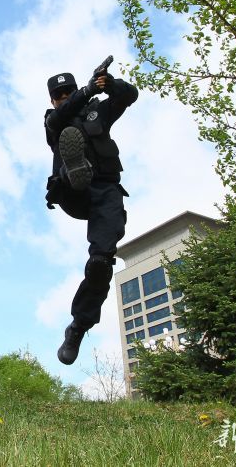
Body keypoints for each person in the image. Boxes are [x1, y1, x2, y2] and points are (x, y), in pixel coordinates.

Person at [42, 67, 138, 365]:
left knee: (100, 264)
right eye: (57, 95)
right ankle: (75, 168)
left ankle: (78, 327)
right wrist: (85, 91)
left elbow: (129, 96)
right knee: (70, 142)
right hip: (74, 194)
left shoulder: (98, 113)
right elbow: (59, 118)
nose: (62, 98)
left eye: (67, 92)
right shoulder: (52, 120)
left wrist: (109, 84)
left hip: (106, 192)